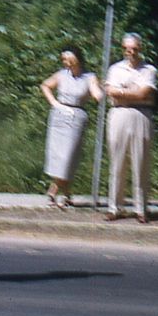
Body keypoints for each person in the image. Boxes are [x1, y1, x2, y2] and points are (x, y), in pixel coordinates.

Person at [40, 45, 102, 208]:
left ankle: (53, 190)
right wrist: (54, 102)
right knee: (58, 157)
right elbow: (45, 85)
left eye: (69, 58)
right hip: (59, 116)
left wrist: (100, 94)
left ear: (77, 58)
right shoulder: (61, 75)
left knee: (68, 158)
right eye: (63, 59)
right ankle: (67, 195)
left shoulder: (89, 77)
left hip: (76, 118)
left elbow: (96, 93)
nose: (66, 62)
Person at [104, 32, 157, 224]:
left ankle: (141, 209)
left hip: (141, 115)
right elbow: (111, 93)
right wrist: (133, 92)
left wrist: (123, 92)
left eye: (134, 49)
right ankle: (114, 208)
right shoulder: (115, 69)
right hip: (119, 114)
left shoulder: (149, 70)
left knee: (140, 163)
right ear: (123, 49)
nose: (131, 52)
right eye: (127, 49)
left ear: (140, 49)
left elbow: (145, 93)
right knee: (117, 163)